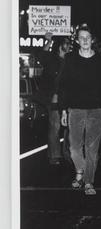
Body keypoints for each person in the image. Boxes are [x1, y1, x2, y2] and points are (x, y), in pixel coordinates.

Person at [58, 25, 101, 196]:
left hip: (96, 110)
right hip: (75, 110)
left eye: (87, 37)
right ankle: (80, 172)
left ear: (92, 40)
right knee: (74, 148)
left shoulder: (100, 60)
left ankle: (88, 181)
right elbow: (63, 87)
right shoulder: (70, 59)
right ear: (77, 41)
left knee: (92, 148)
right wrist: (63, 111)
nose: (84, 40)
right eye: (81, 37)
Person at [36, 32, 72, 165]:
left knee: (69, 126)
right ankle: (54, 155)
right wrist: (48, 41)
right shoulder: (51, 58)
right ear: (60, 45)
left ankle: (67, 153)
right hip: (54, 97)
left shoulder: (70, 60)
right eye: (67, 43)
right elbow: (41, 56)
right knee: (55, 126)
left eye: (70, 44)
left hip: (67, 97)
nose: (69, 46)